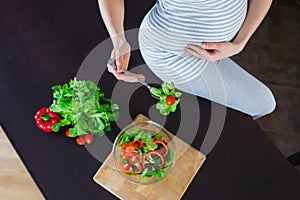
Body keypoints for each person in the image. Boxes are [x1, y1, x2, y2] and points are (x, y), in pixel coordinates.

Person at [98, 0, 276, 119]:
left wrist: (240, 43)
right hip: (173, 56)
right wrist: (119, 39)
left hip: (210, 49)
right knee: (264, 103)